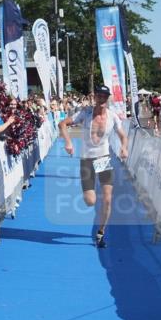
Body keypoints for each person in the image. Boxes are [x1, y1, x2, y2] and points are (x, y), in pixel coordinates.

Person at [59, 85, 129, 248]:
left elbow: (123, 136)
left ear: (108, 98)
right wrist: (68, 142)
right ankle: (91, 194)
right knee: (90, 201)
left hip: (103, 159)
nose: (102, 99)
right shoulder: (85, 113)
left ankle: (100, 233)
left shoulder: (113, 117)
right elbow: (62, 124)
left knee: (107, 199)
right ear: (95, 97)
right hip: (86, 160)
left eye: (105, 96)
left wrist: (124, 147)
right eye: (99, 96)